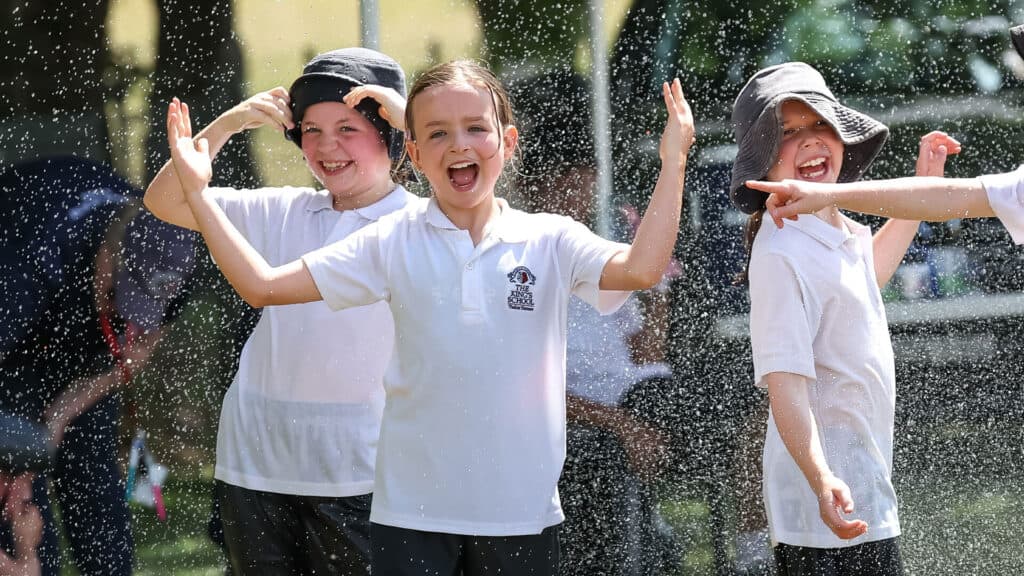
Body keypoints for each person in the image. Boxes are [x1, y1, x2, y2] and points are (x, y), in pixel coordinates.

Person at [162, 59, 694, 576]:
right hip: (407, 515)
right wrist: (199, 187)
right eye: (437, 135)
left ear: (508, 144)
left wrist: (673, 165)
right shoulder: (392, 237)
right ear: (414, 152)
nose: (460, 144)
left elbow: (641, 270)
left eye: (475, 129)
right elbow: (261, 287)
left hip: (519, 511)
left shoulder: (549, 236)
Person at [144, 47, 415, 575]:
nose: (326, 147)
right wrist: (232, 123)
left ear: (391, 135)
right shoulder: (285, 208)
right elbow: (167, 201)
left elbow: (459, 180)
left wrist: (410, 117)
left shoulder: (420, 225)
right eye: (310, 129)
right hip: (256, 458)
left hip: (359, 469)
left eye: (347, 128)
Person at [729, 62, 959, 575]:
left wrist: (922, 188)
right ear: (763, 163)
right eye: (786, 133)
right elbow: (784, 385)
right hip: (823, 503)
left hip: (861, 480)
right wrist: (819, 476)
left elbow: (865, 278)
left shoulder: (837, 231)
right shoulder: (780, 252)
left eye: (819, 125)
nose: (809, 141)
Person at [509, 67, 679, 576]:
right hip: (582, 414)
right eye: (569, 183)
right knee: (605, 453)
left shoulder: (596, 254)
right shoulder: (523, 262)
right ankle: (639, 546)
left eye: (586, 183)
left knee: (734, 400)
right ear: (538, 186)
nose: (579, 196)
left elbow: (647, 355)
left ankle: (751, 552)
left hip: (640, 395)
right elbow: (528, 386)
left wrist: (660, 293)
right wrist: (621, 425)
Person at [0, 156, 197, 576]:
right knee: (18, 490)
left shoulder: (175, 250)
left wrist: (66, 409)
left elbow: (139, 347)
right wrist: (14, 459)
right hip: (12, 344)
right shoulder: (31, 257)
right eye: (120, 297)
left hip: (78, 337)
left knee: (91, 479)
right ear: (108, 253)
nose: (128, 318)